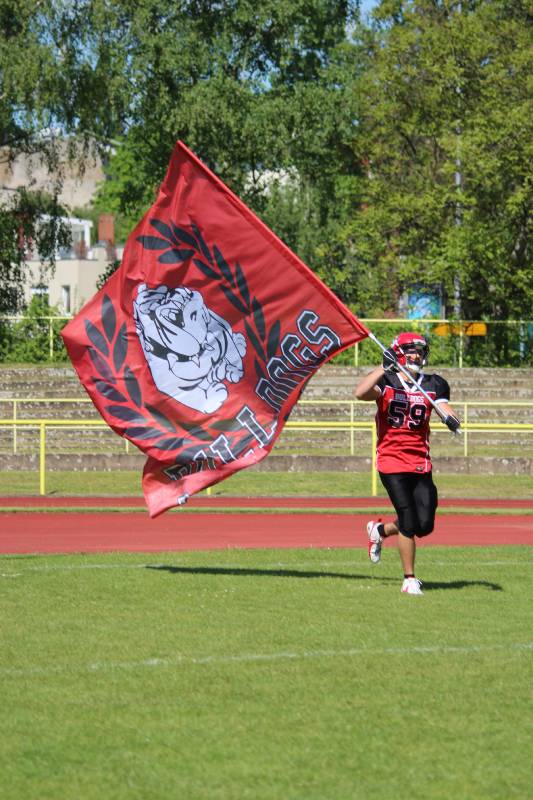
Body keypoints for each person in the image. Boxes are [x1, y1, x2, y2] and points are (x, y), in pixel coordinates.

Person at [354, 332, 460, 595]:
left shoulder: (434, 383)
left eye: (420, 351)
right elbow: (361, 393)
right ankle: (409, 579)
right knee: (409, 522)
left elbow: (444, 407)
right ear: (399, 352)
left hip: (420, 462)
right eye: (411, 350)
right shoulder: (387, 379)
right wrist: (383, 367)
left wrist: (452, 419)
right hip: (391, 461)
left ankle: (380, 530)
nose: (417, 355)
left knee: (424, 525)